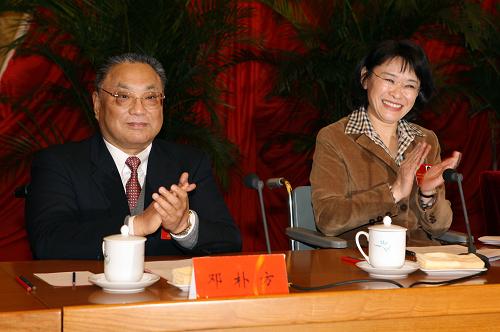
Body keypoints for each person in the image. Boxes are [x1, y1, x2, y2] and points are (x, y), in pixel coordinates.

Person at [26, 53, 242, 259]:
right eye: (124, 96)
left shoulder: (189, 163)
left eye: (150, 97)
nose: (139, 110)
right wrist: (134, 226)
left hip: (166, 295)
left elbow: (229, 241)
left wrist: (183, 226)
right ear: (97, 104)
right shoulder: (60, 163)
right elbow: (48, 242)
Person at [310, 40, 461, 246]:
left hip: (421, 259)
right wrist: (394, 192)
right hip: (362, 258)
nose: (397, 93)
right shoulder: (335, 137)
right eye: (389, 80)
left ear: (418, 93)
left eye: (409, 85)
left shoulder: (425, 141)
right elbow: (328, 219)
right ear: (365, 78)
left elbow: (439, 226)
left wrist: (427, 194)